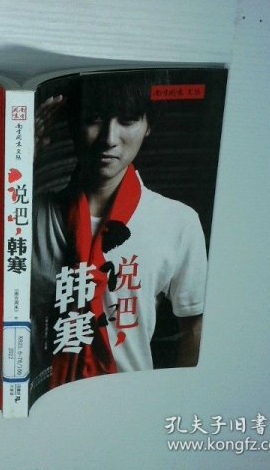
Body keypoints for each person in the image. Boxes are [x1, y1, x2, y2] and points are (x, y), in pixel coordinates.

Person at [30, 72, 207, 397]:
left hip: (132, 403)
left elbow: (194, 327)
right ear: (72, 123)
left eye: (127, 120)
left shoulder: (178, 222)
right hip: (45, 403)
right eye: (94, 119)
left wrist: (175, 403)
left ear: (148, 125)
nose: (109, 138)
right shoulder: (29, 215)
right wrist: (20, 163)